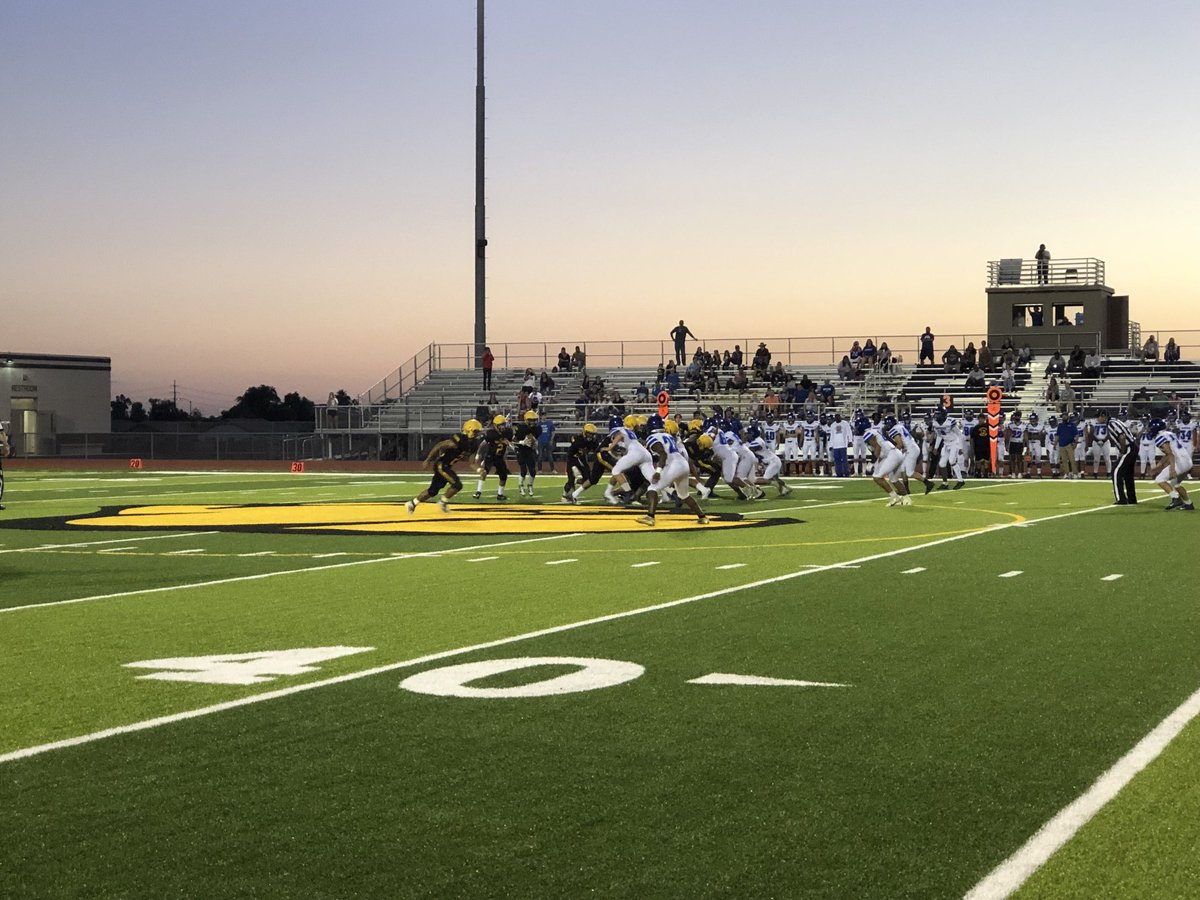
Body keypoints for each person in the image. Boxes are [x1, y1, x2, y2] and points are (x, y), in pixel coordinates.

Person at [405, 419, 484, 514]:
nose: (477, 434)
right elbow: (439, 445)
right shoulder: (459, 440)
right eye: (476, 431)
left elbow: (471, 462)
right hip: (441, 465)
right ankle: (443, 502)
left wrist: (479, 470)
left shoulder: (473, 444)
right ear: (469, 430)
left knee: (432, 491)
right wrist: (428, 459)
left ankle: (412, 503)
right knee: (457, 485)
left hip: (446, 466)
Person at [1148, 419, 1195, 510]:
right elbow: (1168, 454)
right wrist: (1157, 467)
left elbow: (1170, 454)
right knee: (1175, 484)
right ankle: (1188, 504)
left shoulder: (1159, 437)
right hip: (1187, 461)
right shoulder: (1169, 433)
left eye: (1150, 428)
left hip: (1180, 462)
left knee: (1159, 479)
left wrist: (1172, 468)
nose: (1149, 430)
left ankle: (1176, 499)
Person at [474, 415, 514, 500]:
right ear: (496, 425)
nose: (503, 427)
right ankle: (478, 492)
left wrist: (511, 443)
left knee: (504, 476)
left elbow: (511, 441)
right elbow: (483, 443)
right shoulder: (491, 433)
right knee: (484, 472)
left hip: (500, 457)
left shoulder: (507, 432)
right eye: (501, 425)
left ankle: (500, 494)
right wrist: (478, 453)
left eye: (503, 424)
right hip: (490, 456)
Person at [512, 410, 542, 497]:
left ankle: (530, 485)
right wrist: (521, 442)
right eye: (531, 420)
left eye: (534, 420)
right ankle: (521, 485)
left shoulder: (537, 429)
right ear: (526, 420)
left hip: (529, 450)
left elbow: (534, 439)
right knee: (523, 470)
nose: (533, 422)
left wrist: (535, 443)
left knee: (533, 471)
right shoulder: (521, 428)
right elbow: (513, 441)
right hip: (520, 449)